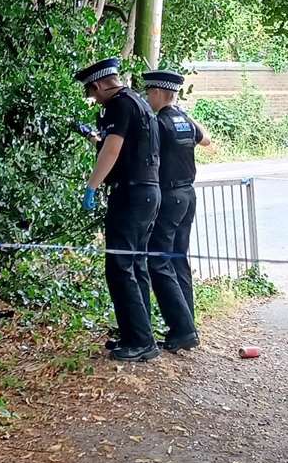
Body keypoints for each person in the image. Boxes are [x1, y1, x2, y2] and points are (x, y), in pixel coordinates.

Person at [74, 55, 163, 362]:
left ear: (99, 84)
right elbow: (121, 145)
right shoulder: (138, 102)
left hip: (131, 194)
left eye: (92, 93)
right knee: (135, 265)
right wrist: (94, 138)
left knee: (120, 266)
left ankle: (140, 342)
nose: (93, 99)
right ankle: (138, 334)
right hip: (149, 191)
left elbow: (112, 149)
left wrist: (92, 185)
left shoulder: (118, 105)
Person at [143, 69, 206, 350]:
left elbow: (142, 153)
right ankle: (187, 324)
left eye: (148, 93)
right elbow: (205, 140)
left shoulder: (159, 123)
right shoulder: (184, 120)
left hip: (169, 197)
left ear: (158, 93)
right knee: (178, 259)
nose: (147, 98)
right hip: (188, 194)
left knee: (158, 260)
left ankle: (182, 329)